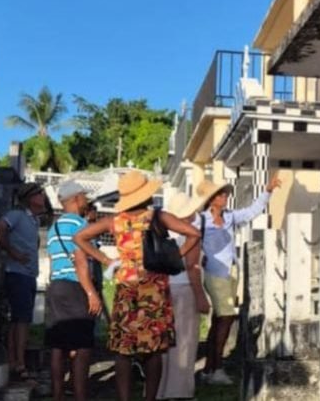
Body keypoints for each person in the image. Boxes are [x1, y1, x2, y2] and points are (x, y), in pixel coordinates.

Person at [74, 171, 201, 401]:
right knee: (154, 350)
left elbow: (80, 238)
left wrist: (106, 260)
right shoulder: (158, 217)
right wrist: (172, 257)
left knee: (124, 351)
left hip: (127, 290)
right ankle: (149, 398)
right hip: (155, 290)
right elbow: (193, 233)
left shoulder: (114, 221)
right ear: (146, 195)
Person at [197, 174, 280, 386]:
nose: (225, 197)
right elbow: (191, 240)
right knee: (225, 318)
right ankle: (216, 368)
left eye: (225, 194)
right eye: (220, 194)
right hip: (214, 273)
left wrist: (267, 191)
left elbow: (252, 211)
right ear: (211, 199)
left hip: (231, 272)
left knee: (219, 320)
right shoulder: (202, 220)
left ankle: (209, 368)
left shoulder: (230, 217)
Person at [45, 181, 102, 401]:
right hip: (76, 286)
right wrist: (91, 292)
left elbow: (53, 261)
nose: (86, 201)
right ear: (76, 199)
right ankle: (80, 395)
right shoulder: (81, 225)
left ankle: (58, 395)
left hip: (56, 286)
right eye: (84, 197)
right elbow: (81, 262)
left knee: (57, 345)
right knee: (83, 344)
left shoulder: (54, 227)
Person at [0, 182, 48, 381]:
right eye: (39, 193)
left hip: (28, 274)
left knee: (20, 320)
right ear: (30, 198)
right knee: (21, 321)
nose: (42, 196)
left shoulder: (33, 221)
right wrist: (13, 252)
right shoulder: (17, 215)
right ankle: (18, 362)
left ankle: (15, 360)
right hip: (18, 273)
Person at [156, 192, 210, 401]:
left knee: (164, 343)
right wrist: (201, 296)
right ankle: (178, 392)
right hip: (185, 288)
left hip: (164, 289)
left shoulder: (162, 234)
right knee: (185, 342)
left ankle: (160, 389)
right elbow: (192, 266)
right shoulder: (190, 233)